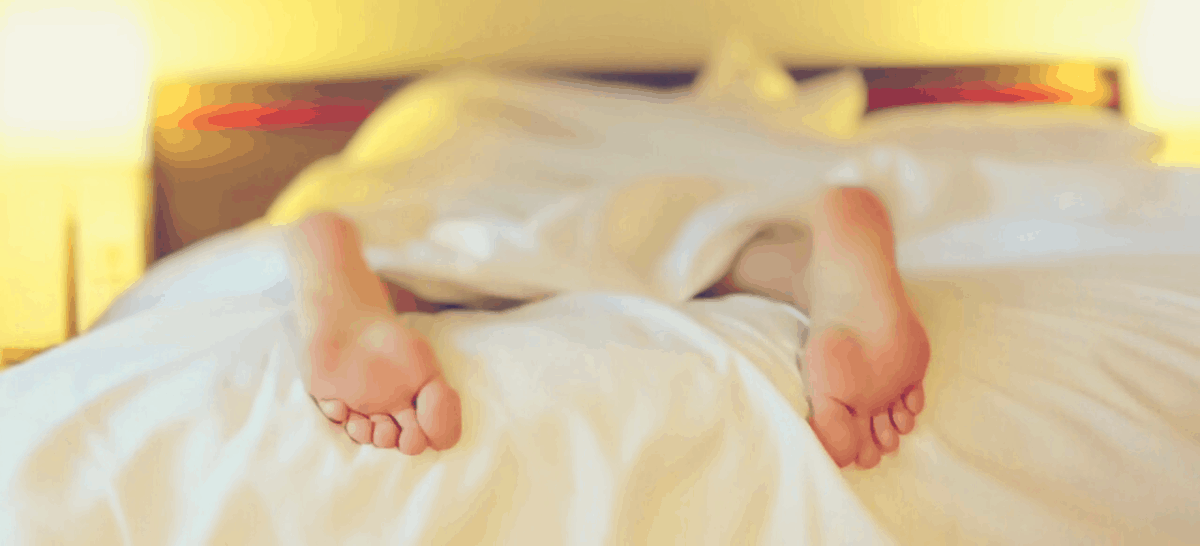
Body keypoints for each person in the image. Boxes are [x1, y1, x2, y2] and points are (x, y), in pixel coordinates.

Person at [292, 186, 930, 470]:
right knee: (728, 251)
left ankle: (344, 266)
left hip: (467, 211)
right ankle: (821, 261)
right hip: (691, 198)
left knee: (438, 264)